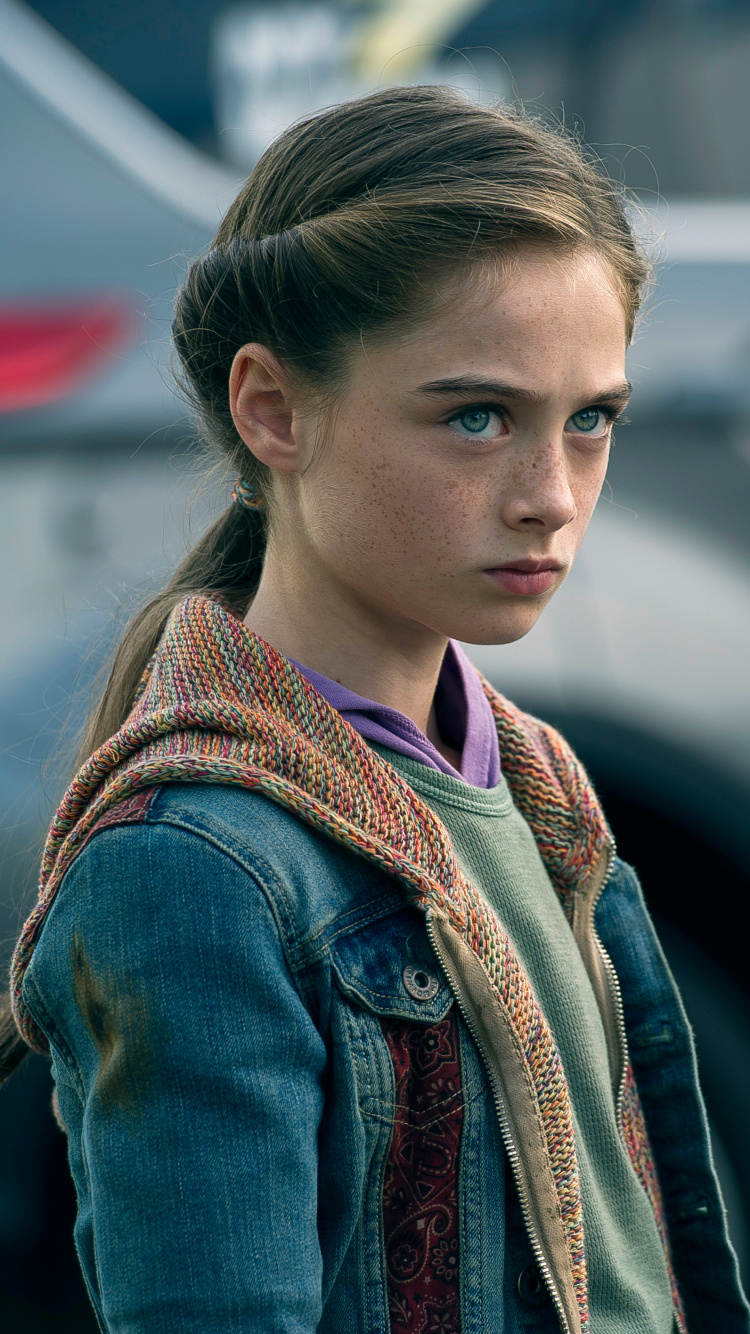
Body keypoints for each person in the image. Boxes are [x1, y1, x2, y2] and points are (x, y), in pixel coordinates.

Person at [2, 86, 747, 1334]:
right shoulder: (188, 869)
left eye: (591, 421)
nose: (550, 495)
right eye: (475, 415)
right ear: (274, 409)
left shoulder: (538, 781)